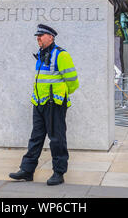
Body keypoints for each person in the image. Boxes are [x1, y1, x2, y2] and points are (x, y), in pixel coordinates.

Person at [9, 24, 79, 186]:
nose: (38, 38)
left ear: (51, 37)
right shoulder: (41, 54)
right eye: (37, 36)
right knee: (36, 138)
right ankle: (27, 170)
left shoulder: (61, 55)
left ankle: (59, 173)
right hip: (39, 102)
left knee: (57, 139)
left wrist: (60, 95)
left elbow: (73, 81)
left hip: (54, 103)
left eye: (41, 36)